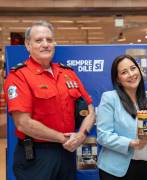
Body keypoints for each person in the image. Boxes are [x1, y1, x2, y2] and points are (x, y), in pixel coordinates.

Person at [4, 20, 95, 180]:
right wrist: (64, 138)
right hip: (37, 157)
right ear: (28, 45)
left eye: (49, 40)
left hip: (67, 153)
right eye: (39, 40)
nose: (45, 44)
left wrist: (81, 135)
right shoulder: (19, 76)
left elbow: (90, 108)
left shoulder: (67, 73)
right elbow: (23, 123)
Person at [96, 54, 147, 180]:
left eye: (133, 68)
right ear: (118, 79)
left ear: (139, 69)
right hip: (115, 170)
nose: (131, 74)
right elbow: (103, 136)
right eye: (124, 72)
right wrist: (131, 143)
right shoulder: (109, 98)